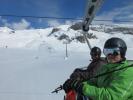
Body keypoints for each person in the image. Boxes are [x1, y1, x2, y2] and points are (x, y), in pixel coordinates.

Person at [63, 37, 133, 100]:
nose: (110, 55)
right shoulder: (106, 67)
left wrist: (82, 87)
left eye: (114, 52)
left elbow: (111, 96)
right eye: (107, 52)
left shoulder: (127, 72)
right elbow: (94, 81)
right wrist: (75, 84)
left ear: (122, 53)